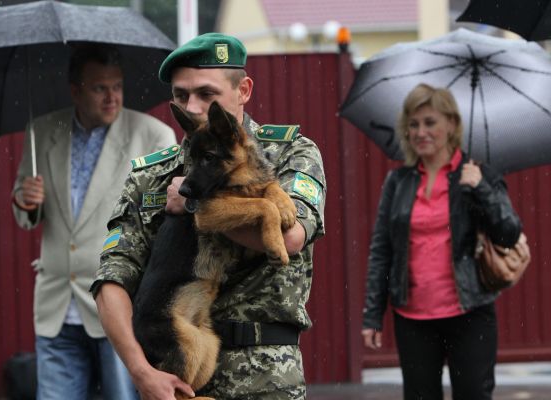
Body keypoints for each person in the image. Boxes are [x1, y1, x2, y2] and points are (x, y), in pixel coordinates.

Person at [90, 33, 326, 400]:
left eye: (206, 94)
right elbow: (111, 280)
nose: (193, 106)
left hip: (268, 375)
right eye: (181, 95)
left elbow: (290, 238)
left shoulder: (290, 154)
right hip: (179, 375)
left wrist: (193, 204)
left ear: (243, 90)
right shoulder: (151, 176)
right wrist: (141, 372)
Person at [11, 43, 176, 400]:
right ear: (75, 90)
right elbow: (25, 214)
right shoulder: (42, 131)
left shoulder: (154, 136)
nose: (112, 97)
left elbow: (164, 222)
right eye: (100, 88)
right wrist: (26, 201)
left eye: (117, 86)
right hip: (57, 303)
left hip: (121, 304)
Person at [361, 83, 526, 400]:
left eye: (430, 122)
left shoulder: (477, 174)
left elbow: (509, 232)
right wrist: (372, 314)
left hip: (469, 312)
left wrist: (481, 189)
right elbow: (382, 251)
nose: (420, 132)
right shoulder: (398, 182)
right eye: (413, 124)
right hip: (412, 318)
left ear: (451, 124)